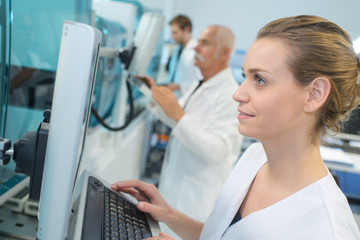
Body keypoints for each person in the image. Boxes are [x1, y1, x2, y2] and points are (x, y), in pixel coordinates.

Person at [113, 15, 360, 239]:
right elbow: (218, 235)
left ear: (314, 94)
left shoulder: (328, 229)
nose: (238, 94)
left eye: (260, 80)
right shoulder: (254, 157)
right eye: (245, 77)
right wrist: (168, 214)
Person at [137, 25, 243, 237]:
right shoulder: (199, 83)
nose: (196, 47)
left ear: (224, 53)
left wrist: (178, 114)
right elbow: (176, 120)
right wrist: (151, 92)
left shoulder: (230, 95)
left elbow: (217, 150)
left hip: (195, 204)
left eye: (204, 43)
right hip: (173, 191)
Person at [165, 15, 202, 95]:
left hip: (186, 96)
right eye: (172, 33)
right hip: (173, 95)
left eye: (175, 32)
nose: (172, 36)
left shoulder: (196, 52)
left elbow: (200, 82)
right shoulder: (177, 50)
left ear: (187, 29)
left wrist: (179, 86)